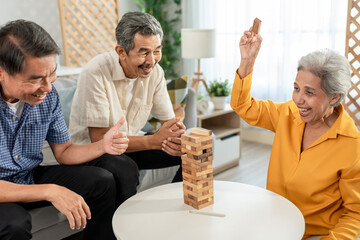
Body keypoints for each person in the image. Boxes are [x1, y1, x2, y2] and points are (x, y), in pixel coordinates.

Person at [0, 20, 129, 240]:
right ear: (2, 73)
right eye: (37, 79)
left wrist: (102, 145)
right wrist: (49, 190)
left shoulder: (49, 96)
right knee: (14, 224)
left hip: (29, 176)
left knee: (102, 181)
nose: (49, 87)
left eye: (52, 74)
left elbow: (64, 151)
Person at [231, 24, 360, 239]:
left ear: (334, 97)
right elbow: (243, 106)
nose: (298, 99)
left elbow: (355, 215)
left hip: (313, 235)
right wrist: (247, 61)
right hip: (272, 224)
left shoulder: (352, 145)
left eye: (309, 92)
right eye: (296, 88)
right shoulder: (288, 113)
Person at [69, 11, 185, 195]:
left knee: (192, 151)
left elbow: (169, 123)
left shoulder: (156, 72)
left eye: (156, 51)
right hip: (94, 151)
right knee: (125, 168)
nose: (151, 61)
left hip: (131, 144)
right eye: (144, 52)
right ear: (121, 52)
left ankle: (177, 209)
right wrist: (153, 140)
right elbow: (98, 139)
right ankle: (125, 223)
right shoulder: (95, 72)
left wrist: (177, 134)